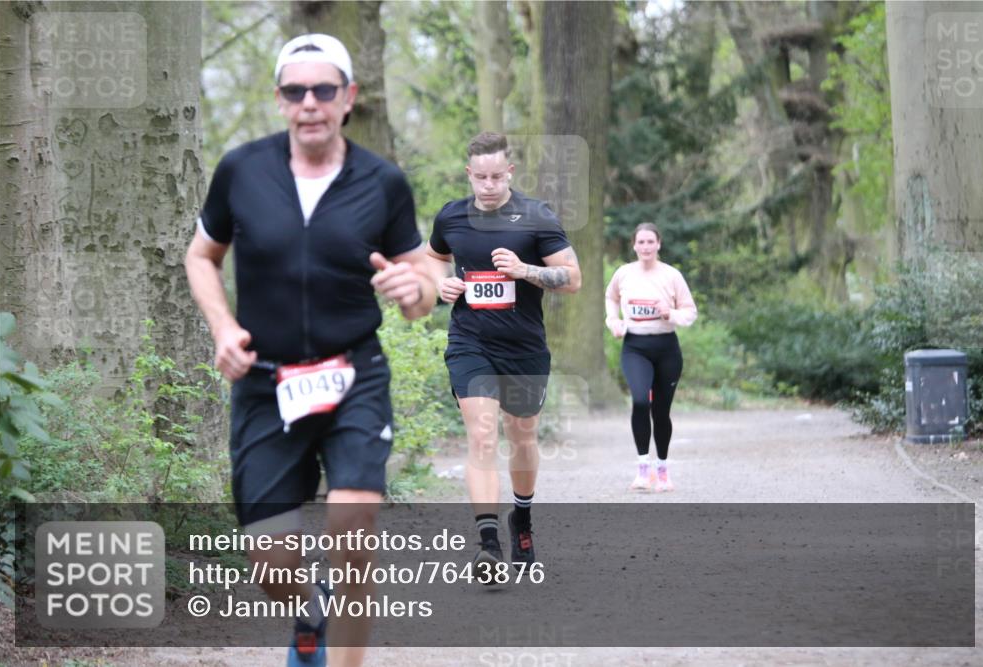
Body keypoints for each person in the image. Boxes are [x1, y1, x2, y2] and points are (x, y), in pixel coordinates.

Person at [184, 33, 435, 667]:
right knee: (270, 562)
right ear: (279, 101)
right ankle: (309, 607)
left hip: (354, 375)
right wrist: (222, 329)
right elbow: (201, 256)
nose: (310, 103)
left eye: (324, 89)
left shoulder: (382, 182)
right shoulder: (242, 170)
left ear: (348, 98)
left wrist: (417, 288)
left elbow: (422, 282)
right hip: (266, 383)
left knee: (353, 532)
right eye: (296, 91)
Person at [426, 131, 581, 579]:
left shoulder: (536, 217)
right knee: (482, 435)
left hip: (524, 347)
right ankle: (488, 545)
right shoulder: (451, 216)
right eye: (480, 177)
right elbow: (433, 257)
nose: (489, 184)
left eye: (497, 176)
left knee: (523, 435)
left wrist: (524, 270)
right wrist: (440, 284)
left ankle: (523, 517)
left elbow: (572, 278)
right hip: (470, 342)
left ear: (509, 172)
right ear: (468, 174)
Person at [605, 223, 697, 492]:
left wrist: (671, 313)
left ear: (659, 244)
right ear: (633, 245)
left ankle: (663, 470)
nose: (645, 247)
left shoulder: (671, 275)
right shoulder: (624, 273)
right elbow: (610, 298)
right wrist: (613, 320)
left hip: (667, 347)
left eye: (650, 242)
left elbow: (690, 312)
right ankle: (643, 469)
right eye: (640, 242)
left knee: (661, 411)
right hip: (635, 346)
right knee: (640, 401)